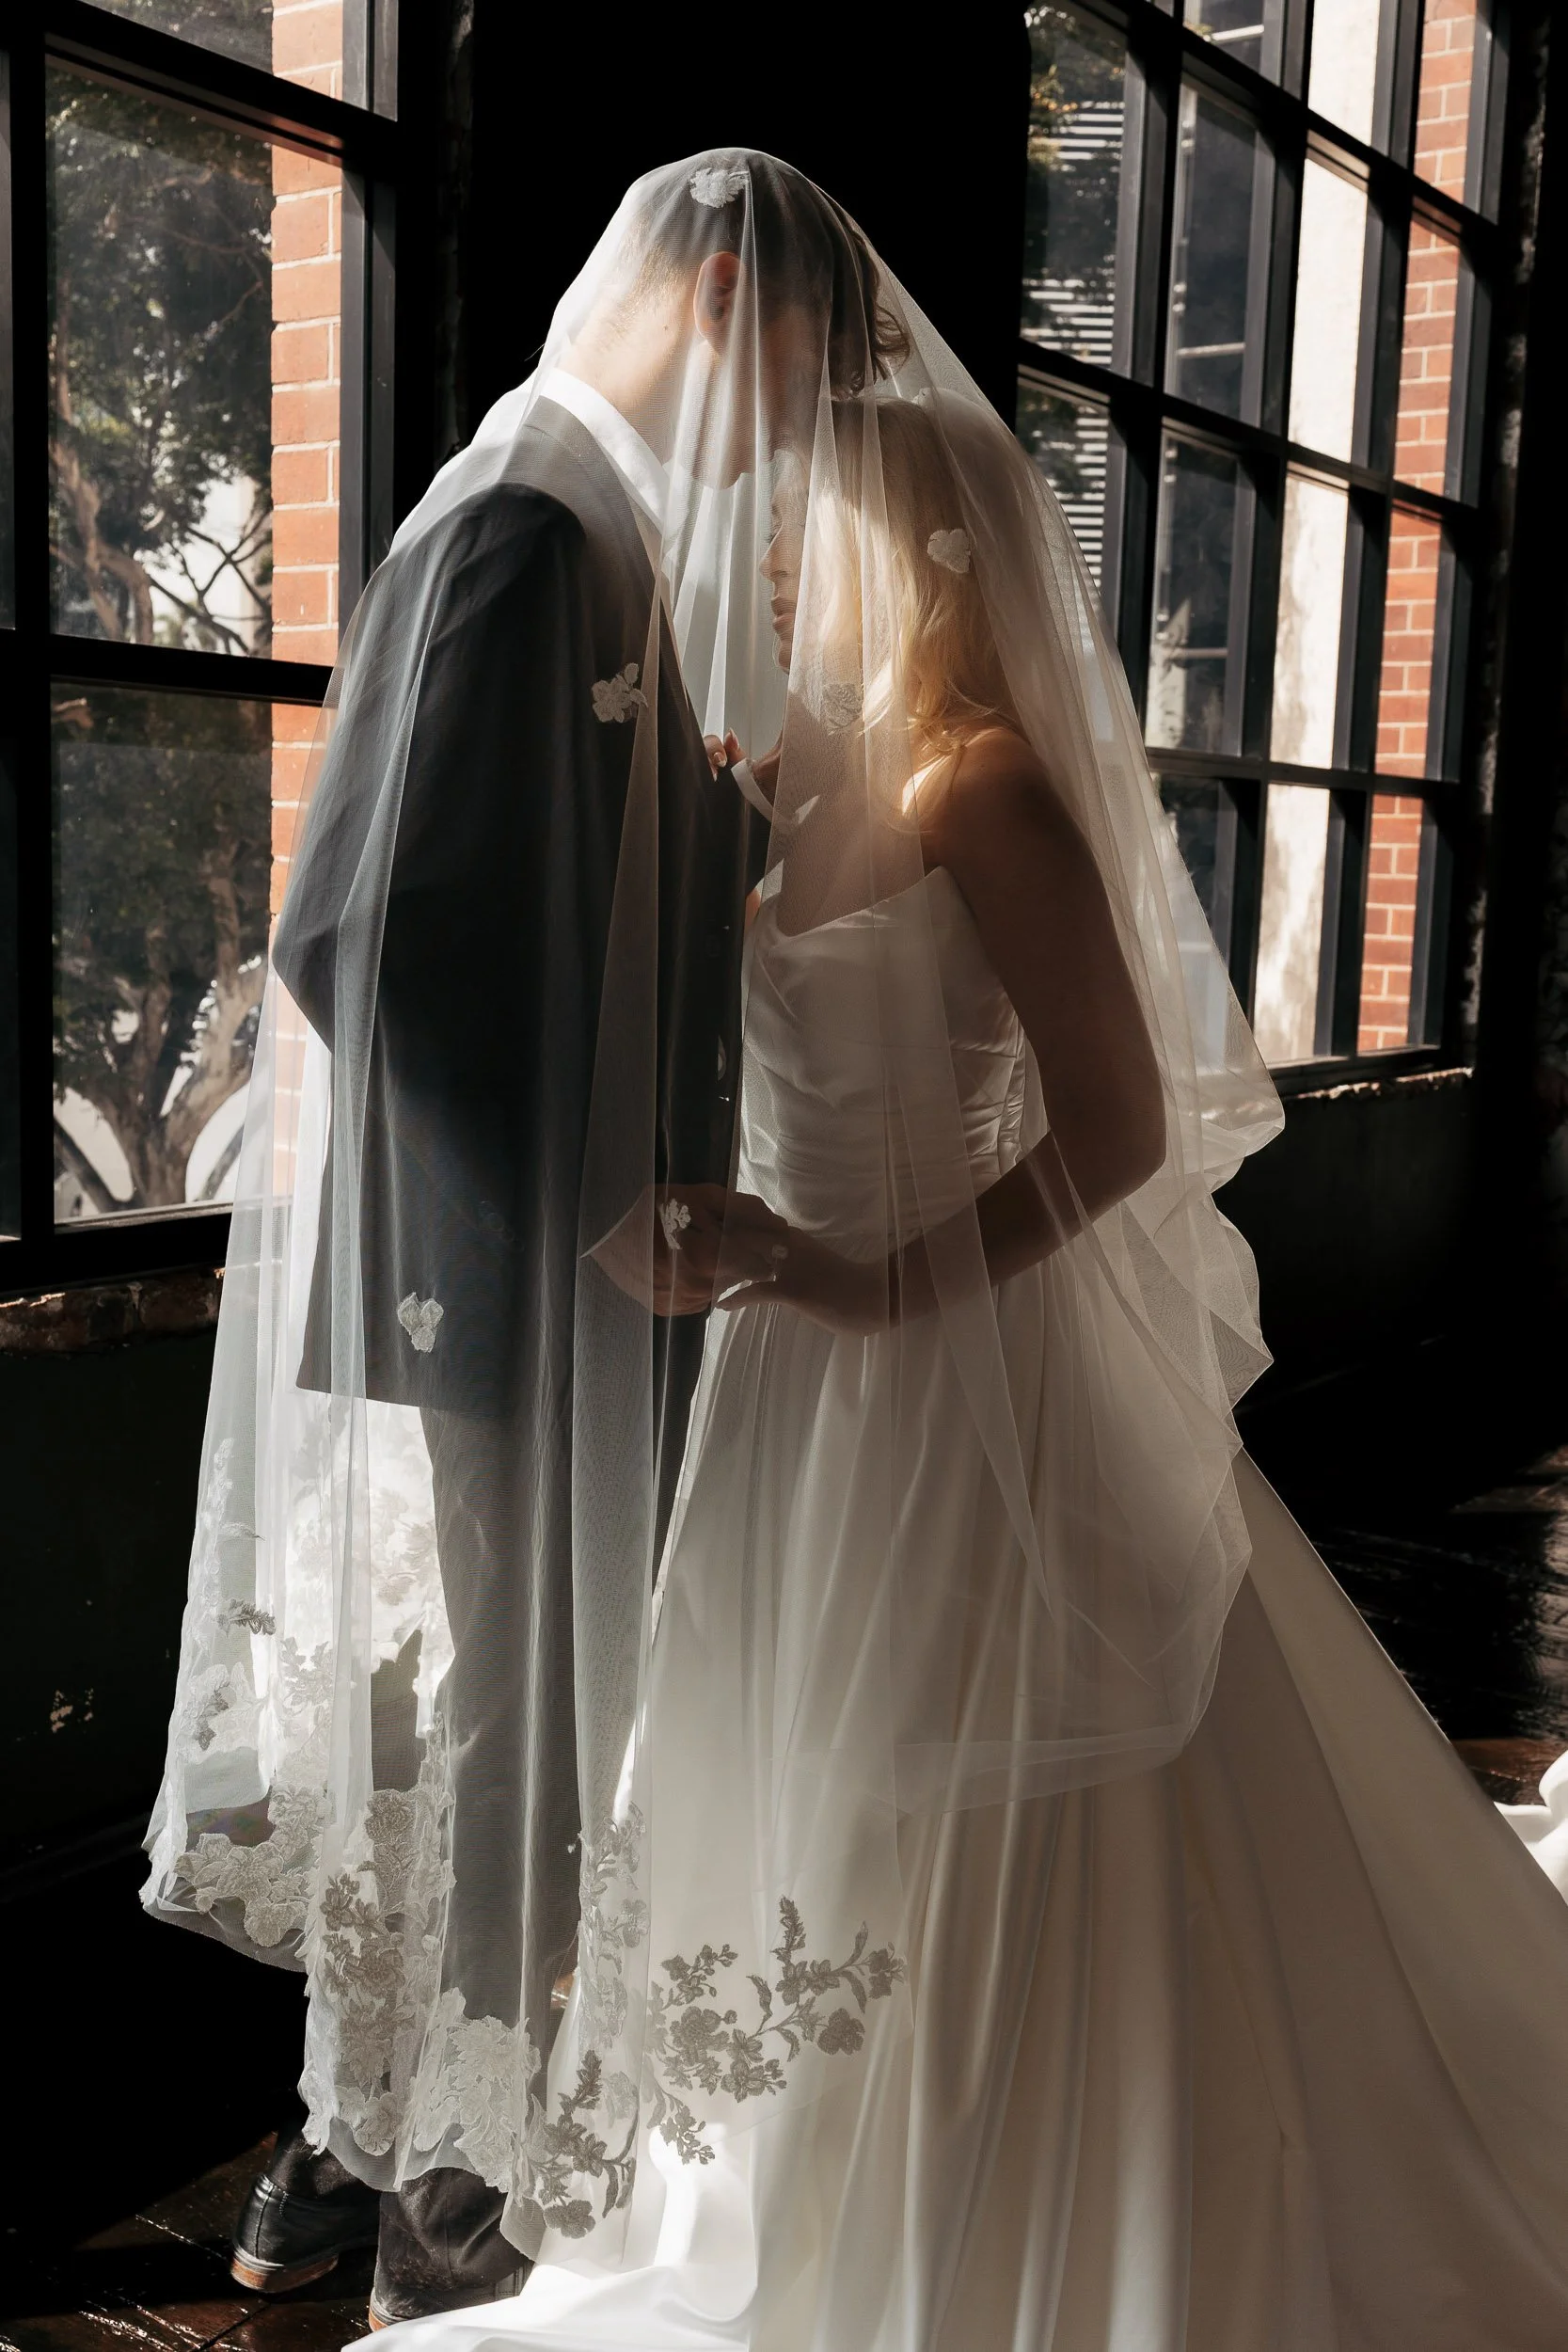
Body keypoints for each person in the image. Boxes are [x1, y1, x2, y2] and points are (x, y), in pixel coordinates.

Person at [150, 157, 1568, 2352]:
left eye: (811, 524)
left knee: (936, 1787)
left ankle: (992, 2174)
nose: (763, 551)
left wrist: (849, 1268)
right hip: (769, 1375)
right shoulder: (749, 731)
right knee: (705, 1762)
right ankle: (591, 2161)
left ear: (918, 546)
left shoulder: (970, 777)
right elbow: (465, 934)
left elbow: (1105, 1116)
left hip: (930, 1349)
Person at [142, 154, 903, 2328]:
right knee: (507, 1740)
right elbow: (352, 930)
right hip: (499, 1280)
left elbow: (564, 891)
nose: (787, 429)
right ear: (723, 291)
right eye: (799, 372)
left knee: (527, 1720)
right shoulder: (514, 526)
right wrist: (579, 1217)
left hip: (584, 1271)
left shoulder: (611, 532)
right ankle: (437, 2205)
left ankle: (359, 2155)